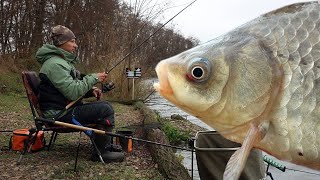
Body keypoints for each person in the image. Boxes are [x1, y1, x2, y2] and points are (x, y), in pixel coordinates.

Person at [35, 25, 124, 162]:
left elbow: (70, 87)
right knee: (105, 109)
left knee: (103, 105)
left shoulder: (61, 62)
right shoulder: (54, 64)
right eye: (72, 41)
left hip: (65, 109)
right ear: (61, 43)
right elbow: (72, 92)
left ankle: (105, 144)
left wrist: (90, 91)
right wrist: (93, 78)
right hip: (59, 114)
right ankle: (101, 153)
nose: (75, 45)